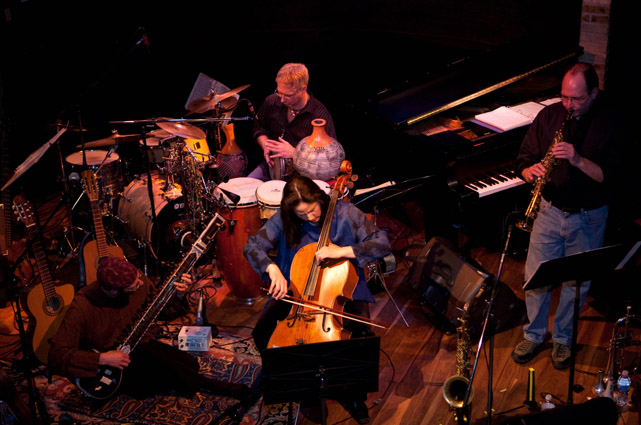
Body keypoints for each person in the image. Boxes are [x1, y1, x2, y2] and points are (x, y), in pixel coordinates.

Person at [243, 175, 391, 424]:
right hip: (297, 292)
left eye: (313, 210)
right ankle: (307, 389)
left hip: (342, 291)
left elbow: (382, 243)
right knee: (263, 333)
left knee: (357, 342)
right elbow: (252, 246)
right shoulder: (285, 218)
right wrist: (272, 268)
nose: (310, 217)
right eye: (302, 214)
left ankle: (350, 395)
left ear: (319, 198)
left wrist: (343, 251)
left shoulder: (346, 214)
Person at [511, 63, 624, 369]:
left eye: (576, 99)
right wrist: (529, 171)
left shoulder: (610, 123)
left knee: (576, 284)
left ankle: (563, 339)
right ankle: (534, 335)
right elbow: (523, 159)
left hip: (589, 217)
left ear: (594, 93)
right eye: (564, 97)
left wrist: (577, 159)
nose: (568, 105)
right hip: (549, 211)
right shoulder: (549, 115)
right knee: (535, 278)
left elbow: (609, 177)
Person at [48, 257, 249, 400]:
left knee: (188, 363)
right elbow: (56, 356)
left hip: (138, 345)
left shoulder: (138, 281)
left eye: (138, 277)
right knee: (174, 371)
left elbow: (162, 313)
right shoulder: (82, 306)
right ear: (113, 292)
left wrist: (178, 295)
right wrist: (103, 358)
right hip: (110, 364)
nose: (140, 283)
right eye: (133, 285)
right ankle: (214, 386)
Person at [248, 63, 337, 181]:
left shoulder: (319, 117)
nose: (281, 99)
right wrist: (265, 145)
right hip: (272, 166)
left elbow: (329, 160)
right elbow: (258, 127)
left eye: (288, 95)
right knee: (247, 185)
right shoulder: (272, 101)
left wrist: (295, 153)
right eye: (279, 92)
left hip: (302, 175)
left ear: (303, 89)